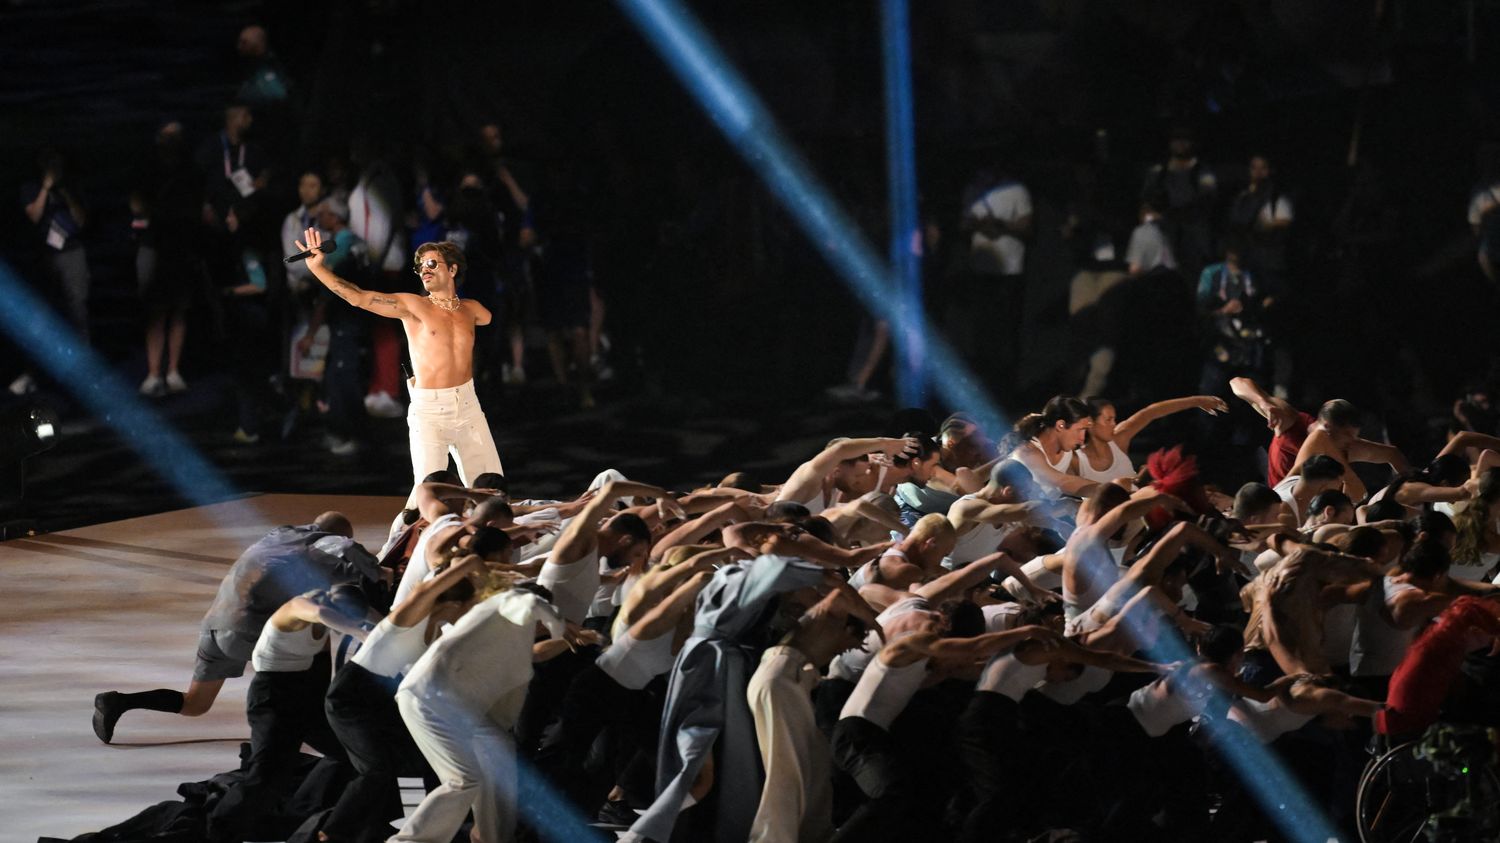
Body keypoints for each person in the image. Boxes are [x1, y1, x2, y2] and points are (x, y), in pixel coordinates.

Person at [91, 512, 383, 743]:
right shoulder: (321, 546)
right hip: (247, 628)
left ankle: (118, 702)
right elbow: (345, 553)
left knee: (195, 704)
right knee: (313, 632)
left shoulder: (279, 535)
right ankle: (326, 728)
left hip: (214, 627)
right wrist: (379, 571)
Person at [296, 229, 504, 494]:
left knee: (491, 489)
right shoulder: (413, 306)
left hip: (468, 406)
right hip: (430, 410)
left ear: (452, 270)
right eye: (420, 267)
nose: (424, 270)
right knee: (428, 496)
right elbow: (359, 298)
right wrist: (319, 270)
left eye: (431, 264)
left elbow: (490, 317)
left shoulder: (472, 309)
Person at [207, 584, 374, 843]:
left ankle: (312, 812)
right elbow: (321, 614)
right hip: (273, 697)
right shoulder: (298, 607)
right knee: (266, 773)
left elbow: (372, 617)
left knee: (351, 753)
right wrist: (361, 634)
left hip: (306, 692)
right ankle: (218, 832)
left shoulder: (336, 605)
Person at [1080, 395, 1227, 484]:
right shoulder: (1073, 458)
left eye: (1114, 419)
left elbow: (1151, 412)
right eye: (1108, 420)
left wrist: (1198, 401)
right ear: (1090, 424)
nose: (1114, 424)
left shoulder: (1119, 437)